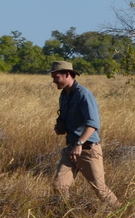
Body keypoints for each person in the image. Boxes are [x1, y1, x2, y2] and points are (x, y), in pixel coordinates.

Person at [50, 60, 120, 207]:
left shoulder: (84, 94)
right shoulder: (64, 95)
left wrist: (79, 143)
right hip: (71, 149)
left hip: (88, 149)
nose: (53, 80)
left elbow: (93, 124)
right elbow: (64, 118)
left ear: (67, 74)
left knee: (100, 190)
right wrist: (60, 127)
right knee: (59, 187)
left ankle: (121, 213)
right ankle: (68, 215)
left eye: (56, 77)